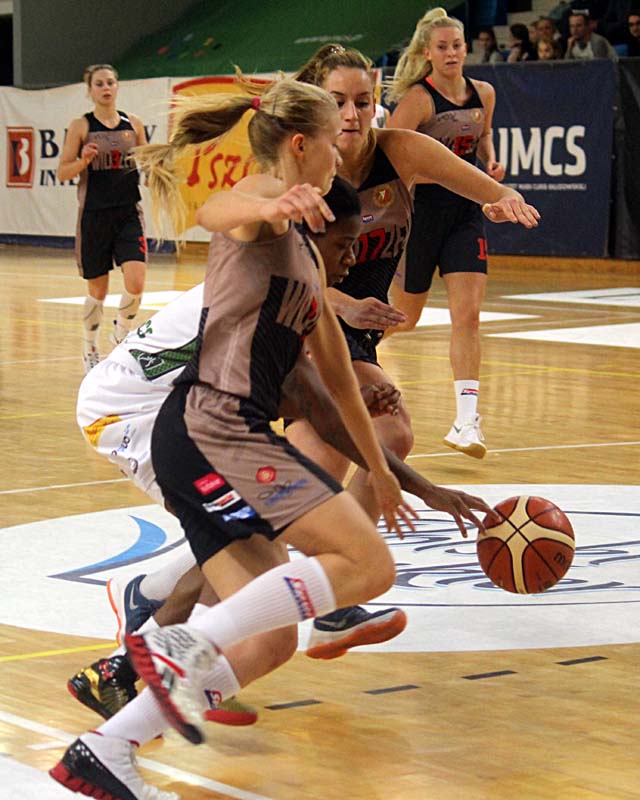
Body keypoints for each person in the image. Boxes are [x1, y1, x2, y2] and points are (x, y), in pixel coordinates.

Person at [48, 77, 431, 799]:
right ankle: (177, 633)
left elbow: (335, 386)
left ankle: (107, 745)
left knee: (273, 637)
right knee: (367, 563)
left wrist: (385, 471)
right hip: (198, 425)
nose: (343, 149)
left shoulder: (308, 262)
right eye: (334, 139)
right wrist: (269, 205)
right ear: (302, 145)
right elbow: (217, 210)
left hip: (209, 430)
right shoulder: (262, 205)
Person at [66, 177, 489, 738]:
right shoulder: (268, 282)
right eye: (345, 246)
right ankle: (159, 645)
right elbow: (310, 400)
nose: (352, 260)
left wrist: (410, 477)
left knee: (246, 541)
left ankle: (143, 646)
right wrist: (409, 479)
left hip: (178, 411)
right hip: (129, 412)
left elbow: (309, 397)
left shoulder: (292, 284)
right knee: (247, 541)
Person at [380, 8, 510, 458]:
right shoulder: (419, 100)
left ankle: (466, 422)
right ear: (427, 53)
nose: (451, 53)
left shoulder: (484, 93)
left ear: (465, 48)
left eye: (457, 45)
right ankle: (338, 356)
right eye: (442, 47)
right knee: (405, 318)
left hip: (466, 215)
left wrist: (489, 163)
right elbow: (387, 156)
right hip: (420, 217)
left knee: (468, 316)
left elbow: (482, 136)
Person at [57, 64, 148, 374]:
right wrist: (83, 160)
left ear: (117, 87)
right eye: (99, 84)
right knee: (98, 291)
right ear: (90, 90)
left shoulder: (133, 124)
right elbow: (63, 172)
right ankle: (90, 348)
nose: (106, 88)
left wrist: (159, 169)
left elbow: (148, 161)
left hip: (128, 212)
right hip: (94, 215)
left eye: (110, 82)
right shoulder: (81, 126)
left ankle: (121, 335)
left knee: (136, 281)